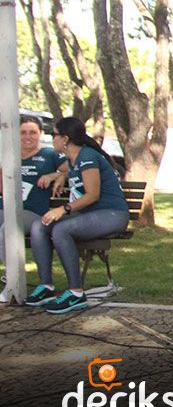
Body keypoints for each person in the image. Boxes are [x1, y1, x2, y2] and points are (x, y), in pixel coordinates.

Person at [24, 116, 129, 314]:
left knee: (61, 229)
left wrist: (63, 209)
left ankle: (75, 292)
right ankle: (46, 286)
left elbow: (92, 194)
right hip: (91, 214)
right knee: (40, 225)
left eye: (54, 134)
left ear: (65, 139)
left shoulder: (87, 156)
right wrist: (59, 175)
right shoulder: (73, 158)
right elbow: (70, 173)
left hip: (112, 214)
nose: (52, 138)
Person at [0, 115, 68, 303]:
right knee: (7, 223)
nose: (28, 137)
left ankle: (13, 281)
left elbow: (73, 168)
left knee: (7, 228)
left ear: (40, 134)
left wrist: (56, 175)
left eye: (32, 132)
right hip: (7, 208)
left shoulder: (49, 154)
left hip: (33, 213)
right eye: (23, 132)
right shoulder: (9, 155)